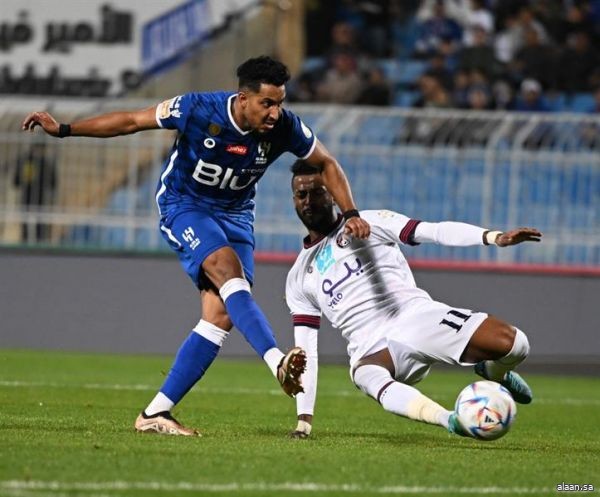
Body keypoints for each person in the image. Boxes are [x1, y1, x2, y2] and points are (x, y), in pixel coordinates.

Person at [22, 55, 371, 436]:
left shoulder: (284, 127)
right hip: (184, 205)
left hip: (236, 215)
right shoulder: (197, 108)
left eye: (280, 103)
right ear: (243, 98)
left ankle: (156, 413)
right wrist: (65, 129)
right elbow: (131, 121)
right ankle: (277, 363)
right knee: (227, 270)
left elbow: (327, 163)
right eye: (267, 103)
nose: (275, 113)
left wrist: (350, 211)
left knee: (220, 315)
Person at [285, 160, 541, 439]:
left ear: (333, 193)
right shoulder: (298, 277)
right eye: (301, 195)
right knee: (364, 374)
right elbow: (305, 353)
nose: (309, 201)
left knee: (516, 344)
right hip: (372, 349)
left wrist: (494, 238)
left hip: (415, 317)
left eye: (317, 192)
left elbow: (434, 231)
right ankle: (451, 421)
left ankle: (495, 371)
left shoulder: (371, 221)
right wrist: (303, 421)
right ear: (294, 200)